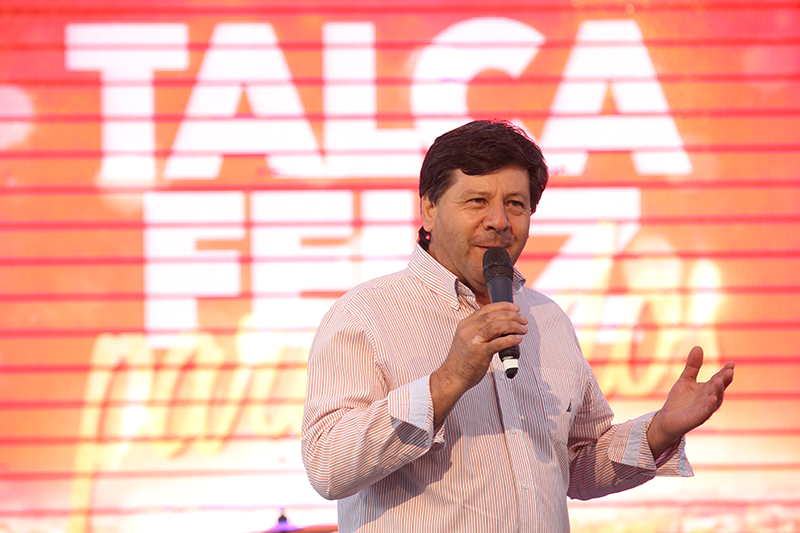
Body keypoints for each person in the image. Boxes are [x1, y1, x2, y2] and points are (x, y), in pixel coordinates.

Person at [301, 119, 735, 532]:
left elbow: (577, 464)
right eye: (477, 201)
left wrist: (661, 430)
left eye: (516, 204)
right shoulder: (366, 315)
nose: (499, 221)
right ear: (429, 210)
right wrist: (448, 381)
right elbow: (327, 465)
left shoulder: (547, 318)